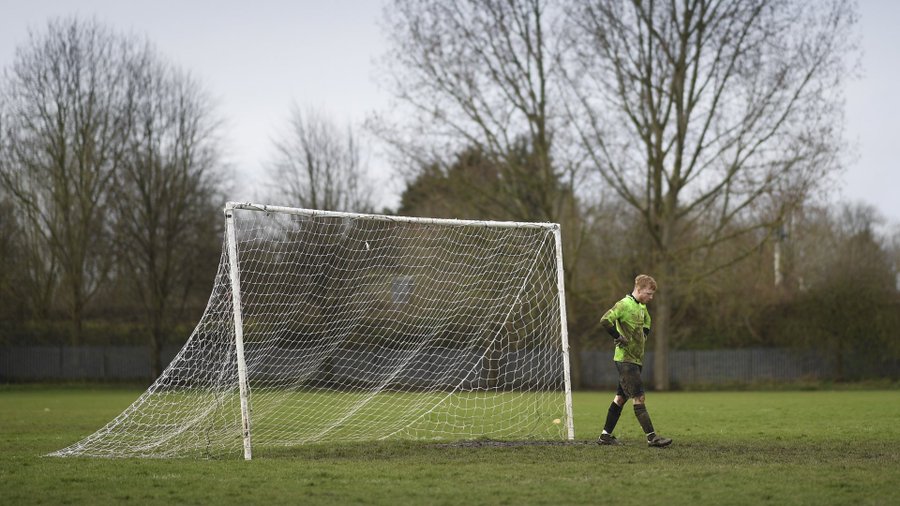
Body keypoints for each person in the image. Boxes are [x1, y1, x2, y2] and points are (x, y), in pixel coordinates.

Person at [596, 274, 672, 447]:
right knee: (639, 397)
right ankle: (652, 438)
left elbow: (648, 320)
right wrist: (618, 336)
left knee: (620, 398)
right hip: (625, 360)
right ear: (638, 289)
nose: (651, 298)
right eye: (648, 293)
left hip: (635, 360)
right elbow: (605, 320)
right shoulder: (624, 305)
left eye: (652, 295)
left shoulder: (641, 307)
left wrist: (644, 333)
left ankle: (604, 437)